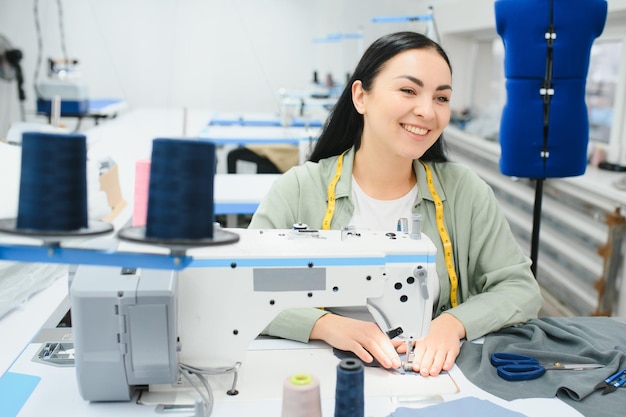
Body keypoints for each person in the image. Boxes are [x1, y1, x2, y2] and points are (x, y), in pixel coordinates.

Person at [248, 31, 542, 377]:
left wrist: (452, 323)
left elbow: (520, 288)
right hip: (315, 372)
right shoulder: (299, 189)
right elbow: (244, 287)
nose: (427, 111)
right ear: (361, 97)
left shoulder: (465, 192)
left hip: (429, 373)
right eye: (408, 90)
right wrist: (326, 325)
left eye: (442, 98)